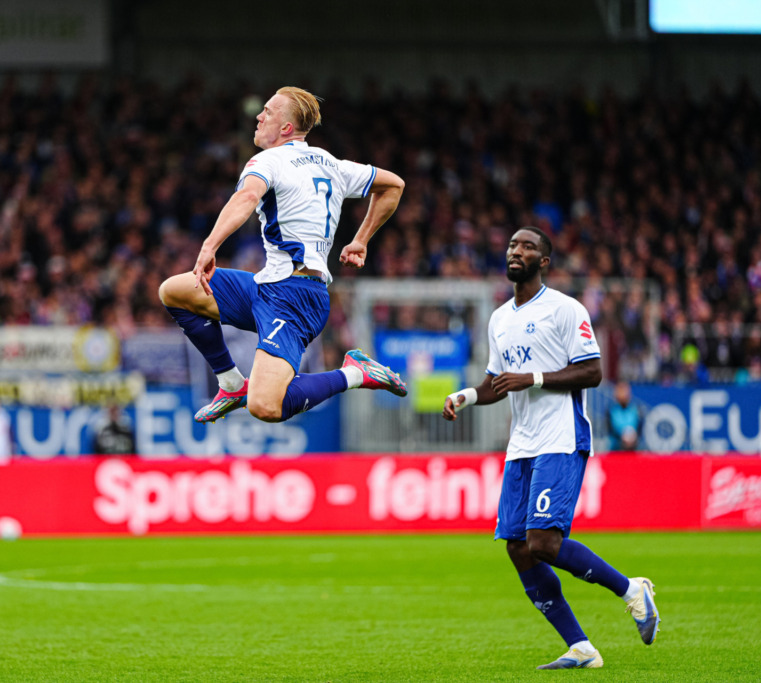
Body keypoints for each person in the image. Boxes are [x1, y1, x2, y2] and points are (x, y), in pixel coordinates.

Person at [442, 227, 660, 670]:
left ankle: (631, 590)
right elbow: (496, 384)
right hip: (521, 443)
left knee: (543, 542)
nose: (515, 251)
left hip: (560, 436)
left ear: (544, 262)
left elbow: (593, 372)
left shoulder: (565, 309)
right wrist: (465, 397)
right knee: (518, 547)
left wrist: (535, 378)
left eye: (527, 247)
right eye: (511, 245)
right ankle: (581, 647)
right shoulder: (499, 318)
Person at [158, 87, 408, 424]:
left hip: (295, 297)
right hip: (268, 285)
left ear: (286, 128)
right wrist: (360, 240)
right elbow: (393, 185)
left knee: (265, 407)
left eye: (268, 112)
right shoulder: (330, 162)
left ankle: (355, 373)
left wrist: (209, 246)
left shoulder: (268, 161)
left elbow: (246, 197)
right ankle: (231, 384)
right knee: (174, 292)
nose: (259, 118)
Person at [608, 380, 643, 451]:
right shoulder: (611, 411)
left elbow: (639, 428)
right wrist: (622, 437)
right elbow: (610, 430)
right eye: (620, 391)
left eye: (624, 391)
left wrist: (632, 437)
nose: (622, 394)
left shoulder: (635, 410)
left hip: (634, 447)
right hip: (616, 448)